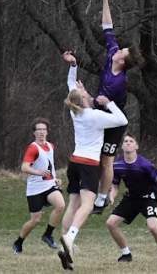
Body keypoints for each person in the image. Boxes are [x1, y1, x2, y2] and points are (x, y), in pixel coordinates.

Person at [58, 51, 128, 270]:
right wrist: (109, 103)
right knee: (87, 205)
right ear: (85, 101)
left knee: (73, 204)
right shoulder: (94, 116)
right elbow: (121, 120)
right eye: (86, 94)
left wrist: (73, 65)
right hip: (88, 164)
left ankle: (64, 245)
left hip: (73, 162)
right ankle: (69, 238)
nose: (88, 94)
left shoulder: (75, 111)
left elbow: (71, 84)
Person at [91, 0, 145, 215]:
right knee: (92, 154)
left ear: (122, 61)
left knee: (107, 160)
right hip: (101, 111)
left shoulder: (117, 82)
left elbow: (97, 103)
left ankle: (102, 199)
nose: (120, 49)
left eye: (123, 51)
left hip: (115, 119)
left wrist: (82, 98)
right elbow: (107, 27)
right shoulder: (113, 52)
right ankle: (90, 190)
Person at [106, 133, 157, 263]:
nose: (128, 143)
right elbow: (115, 187)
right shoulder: (117, 165)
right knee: (111, 223)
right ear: (122, 146)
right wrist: (112, 197)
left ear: (136, 146)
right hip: (131, 198)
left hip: (148, 197)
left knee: (153, 227)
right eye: (125, 141)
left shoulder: (144, 165)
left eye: (131, 141)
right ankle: (126, 254)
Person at [13, 118, 65, 254]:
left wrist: (55, 178)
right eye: (38, 129)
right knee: (36, 219)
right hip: (35, 189)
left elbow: (49, 164)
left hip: (49, 185)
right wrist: (38, 172)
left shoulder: (50, 146)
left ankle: (47, 235)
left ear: (47, 132)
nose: (41, 132)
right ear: (34, 133)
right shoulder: (33, 148)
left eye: (44, 129)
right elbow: (24, 167)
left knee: (60, 205)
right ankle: (19, 242)